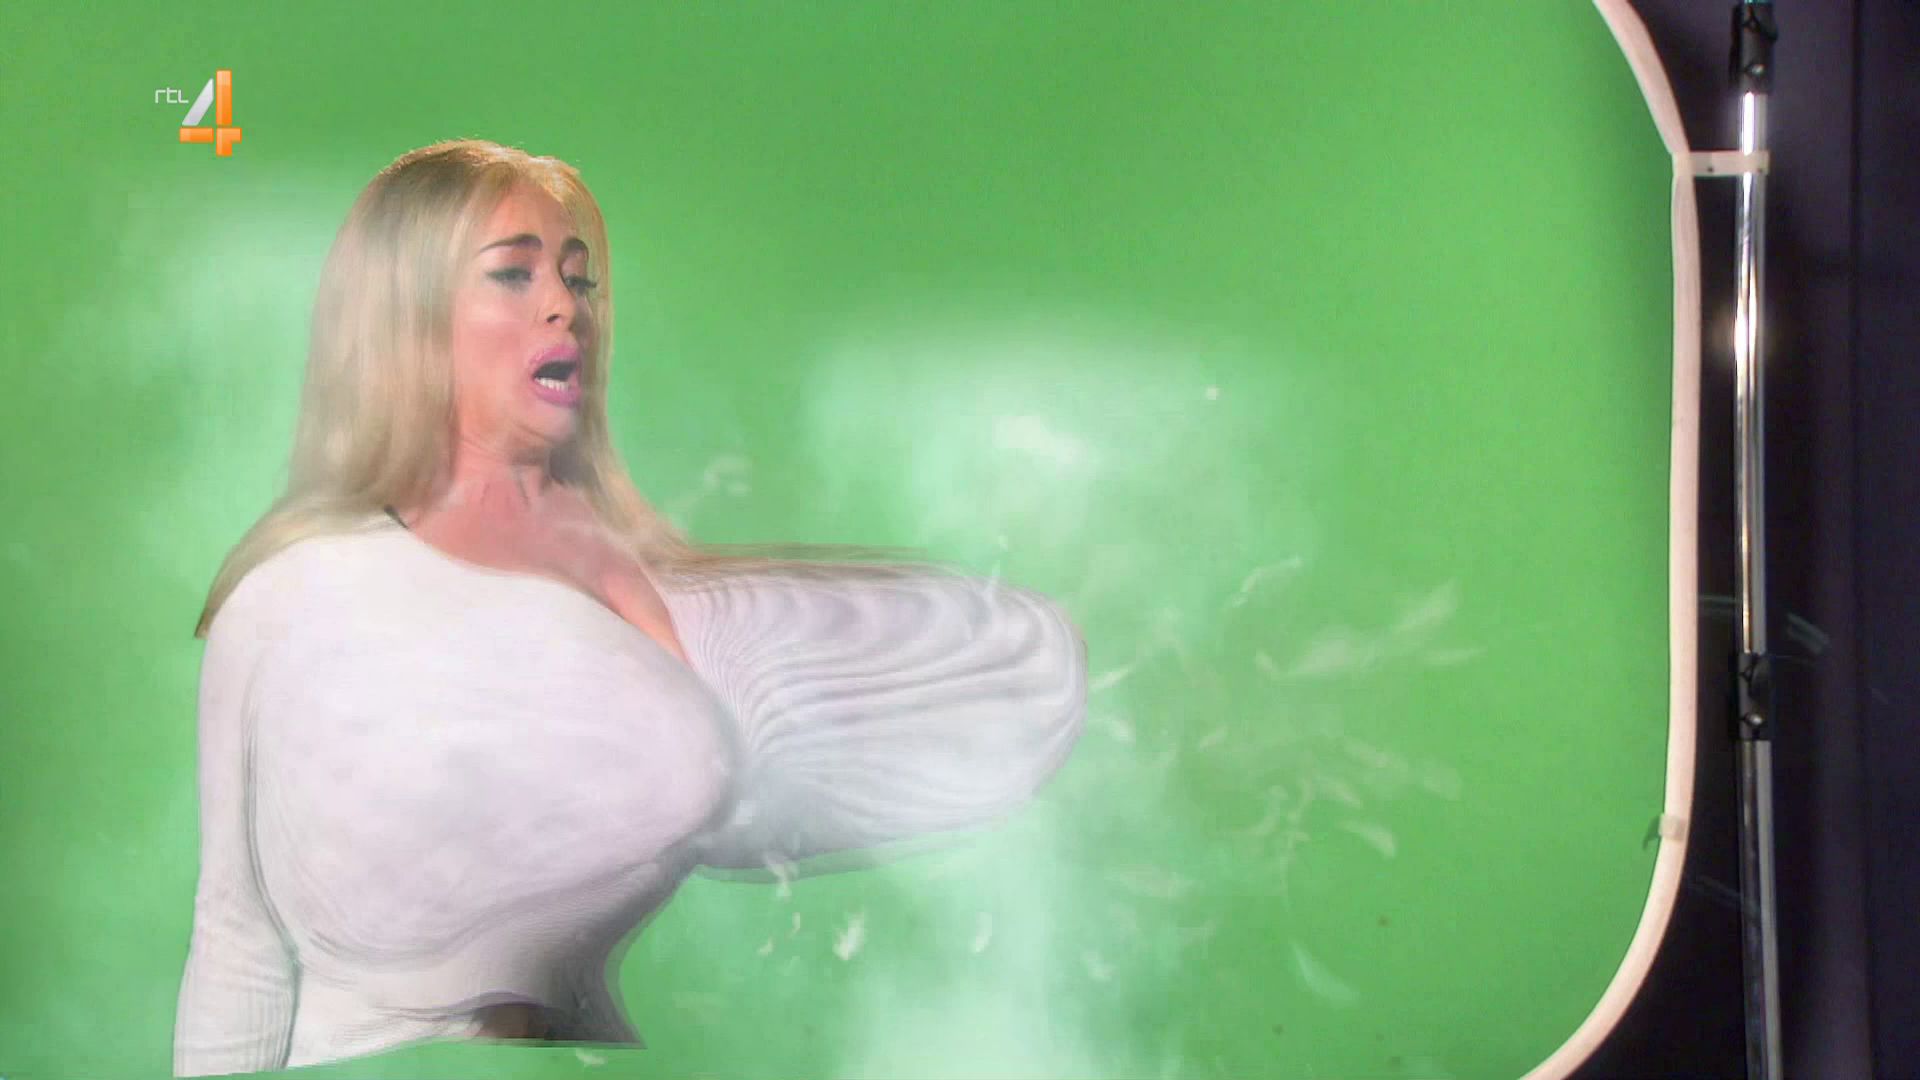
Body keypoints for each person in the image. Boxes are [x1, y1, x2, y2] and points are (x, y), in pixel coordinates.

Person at [171, 139, 1088, 1076]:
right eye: (514, 274)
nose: (565, 306)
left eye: (579, 280)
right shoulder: (297, 594)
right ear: (407, 310)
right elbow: (237, 938)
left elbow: (754, 785)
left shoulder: (645, 579)